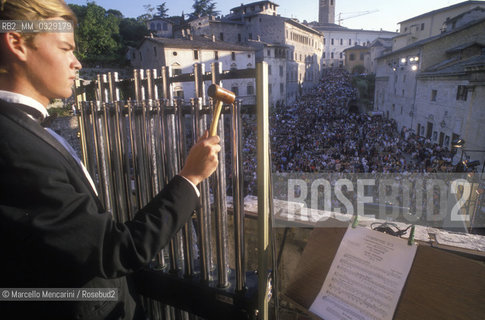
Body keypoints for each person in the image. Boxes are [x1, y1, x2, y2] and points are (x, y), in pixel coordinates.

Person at [0, 0, 221, 319]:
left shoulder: (23, 132)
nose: (77, 63)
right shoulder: (14, 145)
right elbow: (114, 250)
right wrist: (191, 178)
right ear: (17, 43)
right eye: (65, 48)